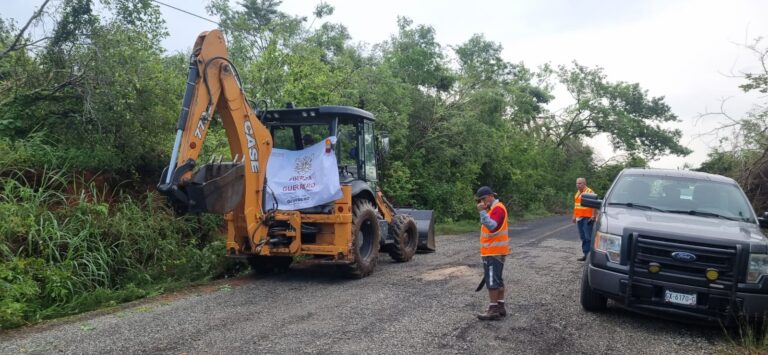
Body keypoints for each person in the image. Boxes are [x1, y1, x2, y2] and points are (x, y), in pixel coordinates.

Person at [474, 186, 509, 321]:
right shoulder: (495, 208)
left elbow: (492, 226)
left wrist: (482, 212)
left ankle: (493, 309)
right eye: (480, 200)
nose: (482, 202)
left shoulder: (498, 209)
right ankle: (500, 306)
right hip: (495, 251)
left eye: (483, 199)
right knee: (498, 280)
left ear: (490, 196)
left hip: (493, 251)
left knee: (492, 281)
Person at [573, 177, 595, 261]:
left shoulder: (590, 192)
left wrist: (593, 216)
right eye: (577, 183)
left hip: (587, 218)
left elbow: (594, 205)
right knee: (583, 237)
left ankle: (590, 256)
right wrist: (574, 216)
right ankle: (586, 255)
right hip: (579, 218)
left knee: (588, 237)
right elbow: (576, 206)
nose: (577, 185)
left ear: (584, 184)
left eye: (579, 183)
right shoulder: (577, 193)